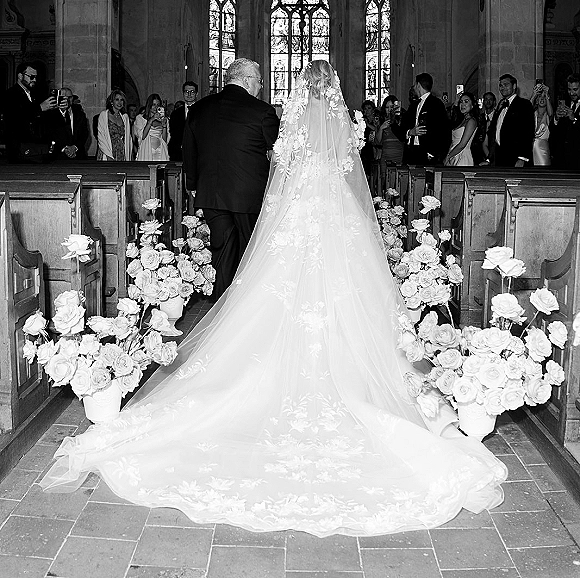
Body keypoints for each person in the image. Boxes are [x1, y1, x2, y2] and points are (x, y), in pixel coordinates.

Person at [41, 60, 506, 535]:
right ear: (336, 93)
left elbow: (280, 162)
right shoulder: (339, 124)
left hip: (296, 208)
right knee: (348, 285)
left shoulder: (279, 120)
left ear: (302, 93)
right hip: (336, 212)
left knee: (270, 280)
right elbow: (349, 165)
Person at [182, 57, 280, 303]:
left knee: (222, 250)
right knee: (250, 250)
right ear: (247, 80)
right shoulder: (262, 111)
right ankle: (248, 306)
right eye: (259, 81)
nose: (261, 87)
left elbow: (189, 151)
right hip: (249, 195)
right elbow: (279, 152)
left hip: (212, 193)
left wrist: (192, 185)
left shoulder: (199, 108)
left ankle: (222, 307)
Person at [485, 74, 534, 167]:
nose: (502, 87)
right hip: (499, 159)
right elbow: (494, 134)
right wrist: (489, 159)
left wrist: (522, 158)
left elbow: (528, 132)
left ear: (514, 86)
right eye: (500, 85)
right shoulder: (501, 105)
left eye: (506, 84)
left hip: (516, 159)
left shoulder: (524, 104)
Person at [401, 72, 450, 165]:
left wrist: (434, 153)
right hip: (411, 152)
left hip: (427, 154)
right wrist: (410, 132)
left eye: (415, 84)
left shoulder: (436, 104)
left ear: (418, 85)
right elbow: (404, 125)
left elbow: (444, 131)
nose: (414, 87)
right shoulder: (413, 105)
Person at [41, 86, 90, 159]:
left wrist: (75, 147)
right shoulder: (50, 115)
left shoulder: (80, 114)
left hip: (78, 156)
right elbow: (50, 134)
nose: (66, 100)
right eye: (63, 98)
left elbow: (84, 133)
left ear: (72, 98)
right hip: (57, 157)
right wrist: (65, 149)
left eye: (69, 98)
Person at [551, 73, 580, 169]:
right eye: (569, 89)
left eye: (575, 89)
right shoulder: (564, 103)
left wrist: (574, 119)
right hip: (561, 160)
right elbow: (553, 132)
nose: (571, 93)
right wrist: (556, 118)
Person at [375, 95, 403, 191]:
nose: (389, 109)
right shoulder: (382, 121)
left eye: (391, 107)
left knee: (398, 184)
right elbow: (378, 141)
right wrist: (381, 128)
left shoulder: (401, 120)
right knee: (385, 183)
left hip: (399, 155)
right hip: (386, 156)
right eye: (387, 107)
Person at [96, 89, 132, 161]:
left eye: (121, 100)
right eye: (117, 99)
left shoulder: (125, 117)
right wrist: (108, 155)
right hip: (107, 152)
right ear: (111, 101)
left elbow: (128, 139)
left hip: (121, 153)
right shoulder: (104, 115)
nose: (119, 102)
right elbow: (101, 137)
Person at [444, 92, 478, 166]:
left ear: (472, 105)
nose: (463, 104)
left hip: (463, 156)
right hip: (453, 154)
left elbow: (462, 144)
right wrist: (449, 155)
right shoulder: (461, 120)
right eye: (461, 102)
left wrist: (448, 156)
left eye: (466, 101)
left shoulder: (471, 121)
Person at [134, 93, 170, 161]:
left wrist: (164, 126)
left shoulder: (164, 119)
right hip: (146, 151)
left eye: (158, 105)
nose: (156, 107)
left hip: (160, 152)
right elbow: (142, 136)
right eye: (153, 105)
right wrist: (151, 120)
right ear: (149, 105)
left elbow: (165, 140)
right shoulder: (140, 118)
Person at [168, 81, 198, 161]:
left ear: (196, 94)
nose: (189, 94)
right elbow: (173, 133)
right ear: (183, 93)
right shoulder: (176, 113)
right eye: (186, 91)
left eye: (192, 92)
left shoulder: (202, 111)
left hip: (197, 154)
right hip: (178, 153)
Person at [530, 82, 553, 166]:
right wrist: (534, 94)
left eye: (544, 97)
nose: (542, 99)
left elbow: (551, 114)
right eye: (540, 97)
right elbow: (527, 108)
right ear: (536, 100)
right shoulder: (532, 115)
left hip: (543, 149)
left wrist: (547, 94)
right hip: (531, 148)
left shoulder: (548, 116)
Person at [472, 91, 496, 165]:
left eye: (490, 99)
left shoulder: (497, 116)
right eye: (486, 99)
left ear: (494, 102)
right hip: (479, 154)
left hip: (494, 152)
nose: (488, 102)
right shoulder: (479, 118)